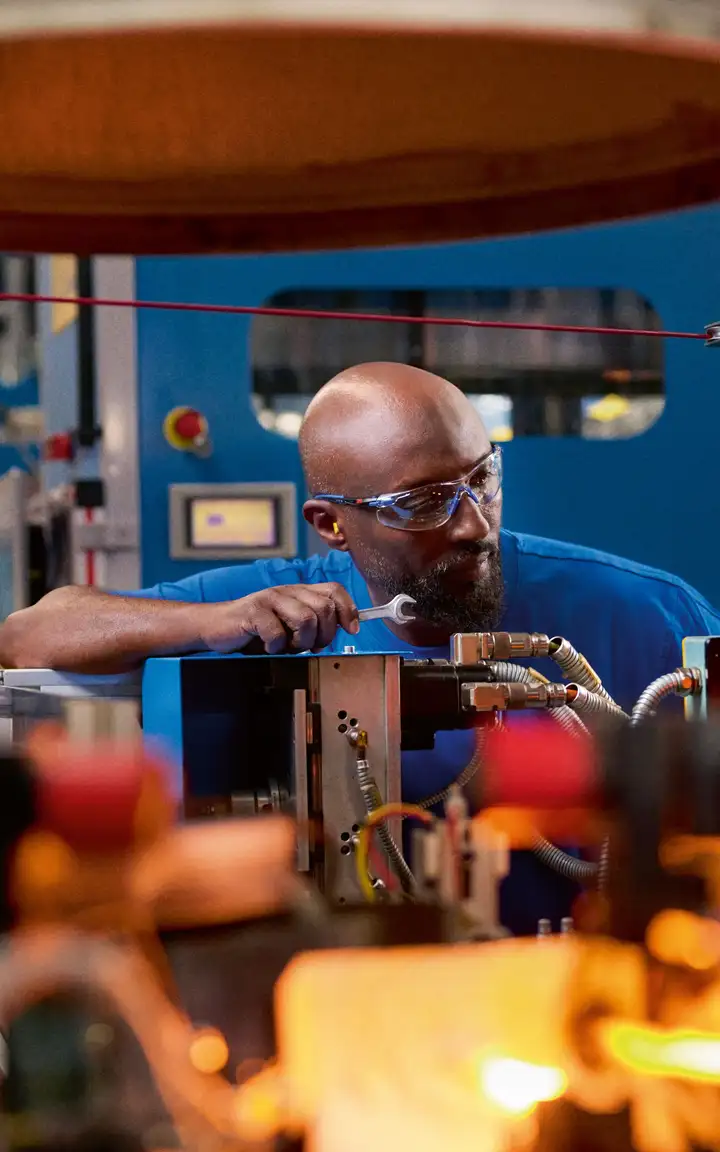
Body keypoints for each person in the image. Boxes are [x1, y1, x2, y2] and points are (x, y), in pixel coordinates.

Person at [3, 362, 720, 933]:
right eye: (422, 503)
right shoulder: (283, 605)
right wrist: (208, 623)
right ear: (331, 524)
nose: (473, 526)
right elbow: (29, 634)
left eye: (483, 480)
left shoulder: (646, 614)